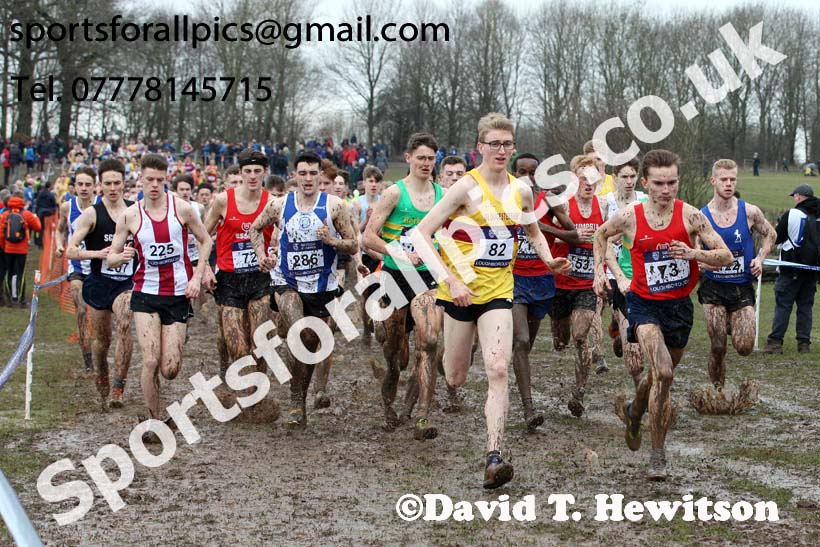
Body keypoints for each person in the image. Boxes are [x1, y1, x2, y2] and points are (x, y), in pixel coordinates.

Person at [413, 113, 570, 489]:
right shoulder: (465, 188)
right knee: (455, 375)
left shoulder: (522, 191)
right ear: (479, 148)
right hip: (459, 293)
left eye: (507, 144)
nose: (501, 150)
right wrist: (449, 279)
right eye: (494, 144)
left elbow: (531, 230)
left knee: (498, 369)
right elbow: (421, 235)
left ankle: (494, 456)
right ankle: (449, 363)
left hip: (499, 291)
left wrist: (548, 259)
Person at [592, 149, 732, 481]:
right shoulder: (629, 216)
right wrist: (601, 272)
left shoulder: (691, 216)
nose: (666, 190)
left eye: (672, 182)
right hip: (644, 305)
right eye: (658, 183)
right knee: (664, 373)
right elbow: (600, 234)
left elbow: (724, 255)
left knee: (657, 379)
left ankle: (635, 410)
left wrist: (694, 252)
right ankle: (658, 455)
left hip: (679, 308)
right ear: (645, 182)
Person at [249, 151, 358, 428]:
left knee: (310, 342)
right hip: (287, 281)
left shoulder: (334, 206)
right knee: (298, 333)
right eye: (303, 173)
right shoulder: (279, 205)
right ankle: (295, 400)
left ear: (320, 176)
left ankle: (299, 397)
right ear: (294, 175)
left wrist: (332, 240)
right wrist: (262, 256)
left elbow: (353, 244)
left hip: (322, 286)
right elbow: (254, 228)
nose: (308, 179)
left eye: (313, 173)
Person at [106, 154, 212, 424]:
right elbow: (112, 256)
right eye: (149, 179)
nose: (154, 185)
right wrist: (121, 257)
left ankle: (158, 394)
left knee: (170, 369)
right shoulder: (130, 215)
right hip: (145, 294)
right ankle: (153, 419)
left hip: (178, 294)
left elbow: (205, 240)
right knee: (150, 361)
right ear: (140, 179)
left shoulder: (184, 209)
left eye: (160, 180)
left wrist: (196, 276)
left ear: (166, 180)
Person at [363, 132, 444, 439]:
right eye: (421, 157)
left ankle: (422, 414)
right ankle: (391, 398)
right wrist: (398, 252)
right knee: (394, 353)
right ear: (409, 158)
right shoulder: (395, 194)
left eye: (430, 158)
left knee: (429, 343)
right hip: (396, 277)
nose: (426, 163)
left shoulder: (442, 194)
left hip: (427, 278)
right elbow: (369, 237)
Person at [510, 153, 577, 430]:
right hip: (512, 279)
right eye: (521, 171)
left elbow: (573, 235)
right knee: (522, 340)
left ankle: (516, 380)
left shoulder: (548, 199)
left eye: (532, 171)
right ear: (514, 173)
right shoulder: (504, 198)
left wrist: (538, 224)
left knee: (527, 344)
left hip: (542, 279)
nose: (527, 175)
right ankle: (529, 408)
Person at [697, 160, 776, 386]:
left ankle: (733, 322)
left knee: (744, 347)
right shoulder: (700, 216)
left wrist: (760, 258)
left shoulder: (750, 211)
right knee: (718, 346)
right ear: (713, 181)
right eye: (724, 179)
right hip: (713, 288)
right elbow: (693, 251)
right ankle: (718, 389)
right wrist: (704, 264)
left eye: (732, 179)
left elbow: (771, 234)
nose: (729, 184)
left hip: (741, 288)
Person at [67, 159, 136, 408]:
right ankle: (102, 372)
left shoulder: (135, 210)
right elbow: (71, 251)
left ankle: (119, 385)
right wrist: (98, 254)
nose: (113, 187)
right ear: (100, 185)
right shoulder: (92, 214)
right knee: (102, 342)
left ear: (124, 183)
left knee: (126, 322)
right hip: (98, 283)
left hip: (126, 283)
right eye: (108, 183)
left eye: (117, 182)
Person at [202, 149, 275, 380]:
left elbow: (281, 239)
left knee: (260, 340)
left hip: (259, 277)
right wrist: (205, 269)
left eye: (257, 171)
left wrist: (274, 254)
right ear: (241, 173)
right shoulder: (224, 200)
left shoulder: (272, 203)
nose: (252, 176)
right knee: (237, 345)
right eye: (247, 171)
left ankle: (257, 390)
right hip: (229, 278)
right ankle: (242, 380)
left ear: (264, 173)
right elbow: (203, 236)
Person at [551, 156, 608, 417]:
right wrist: (570, 236)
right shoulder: (563, 204)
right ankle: (558, 333)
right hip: (561, 283)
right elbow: (544, 235)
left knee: (580, 336)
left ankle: (579, 392)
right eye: (583, 178)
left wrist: (603, 268)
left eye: (592, 179)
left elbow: (612, 237)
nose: (588, 184)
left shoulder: (604, 206)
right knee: (561, 340)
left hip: (587, 283)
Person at [602, 159, 647, 386]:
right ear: (614, 178)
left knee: (626, 319)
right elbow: (599, 237)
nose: (629, 181)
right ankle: (618, 325)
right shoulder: (606, 202)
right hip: (611, 267)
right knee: (619, 309)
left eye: (632, 176)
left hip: (636, 268)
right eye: (624, 177)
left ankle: (618, 329)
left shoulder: (644, 200)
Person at [763, 183, 820, 354]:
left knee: (783, 306)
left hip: (790, 270)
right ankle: (804, 344)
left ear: (799, 197)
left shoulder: (792, 214)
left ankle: (775, 342)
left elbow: (776, 237)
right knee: (805, 307)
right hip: (811, 271)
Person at [55, 167, 97, 371]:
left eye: (88, 184)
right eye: (80, 184)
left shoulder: (102, 205)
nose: (83, 188)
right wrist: (59, 245)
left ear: (94, 186)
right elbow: (60, 229)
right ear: (74, 186)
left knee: (100, 316)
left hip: (100, 266)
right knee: (80, 309)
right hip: (77, 266)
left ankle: (99, 349)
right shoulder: (66, 207)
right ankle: (87, 358)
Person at [0, 191, 41, 307]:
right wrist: (35, 217)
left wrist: (4, 246)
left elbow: (1, 234)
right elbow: (38, 227)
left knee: (9, 273)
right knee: (20, 273)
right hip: (21, 250)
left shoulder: (5, 214)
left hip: (8, 249)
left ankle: (10, 299)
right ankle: (21, 299)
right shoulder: (26, 214)